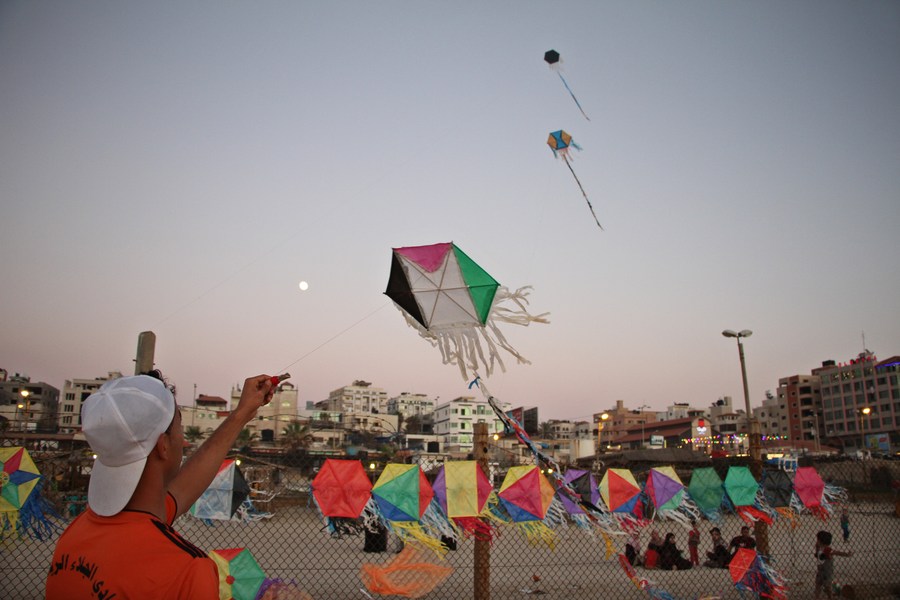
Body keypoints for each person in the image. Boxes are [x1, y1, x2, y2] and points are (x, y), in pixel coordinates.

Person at [46, 371, 277, 599]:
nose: (182, 435)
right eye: (179, 424)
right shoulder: (186, 572)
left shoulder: (75, 536)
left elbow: (181, 491)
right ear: (163, 445)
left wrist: (241, 414)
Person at [814, 530, 851, 599]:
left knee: (827, 586)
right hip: (820, 571)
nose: (816, 542)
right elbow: (817, 554)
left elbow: (836, 552)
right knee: (818, 585)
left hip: (827, 572)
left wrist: (846, 554)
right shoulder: (819, 548)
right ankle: (817, 597)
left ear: (820, 541)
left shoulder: (827, 550)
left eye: (817, 540)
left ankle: (830, 597)